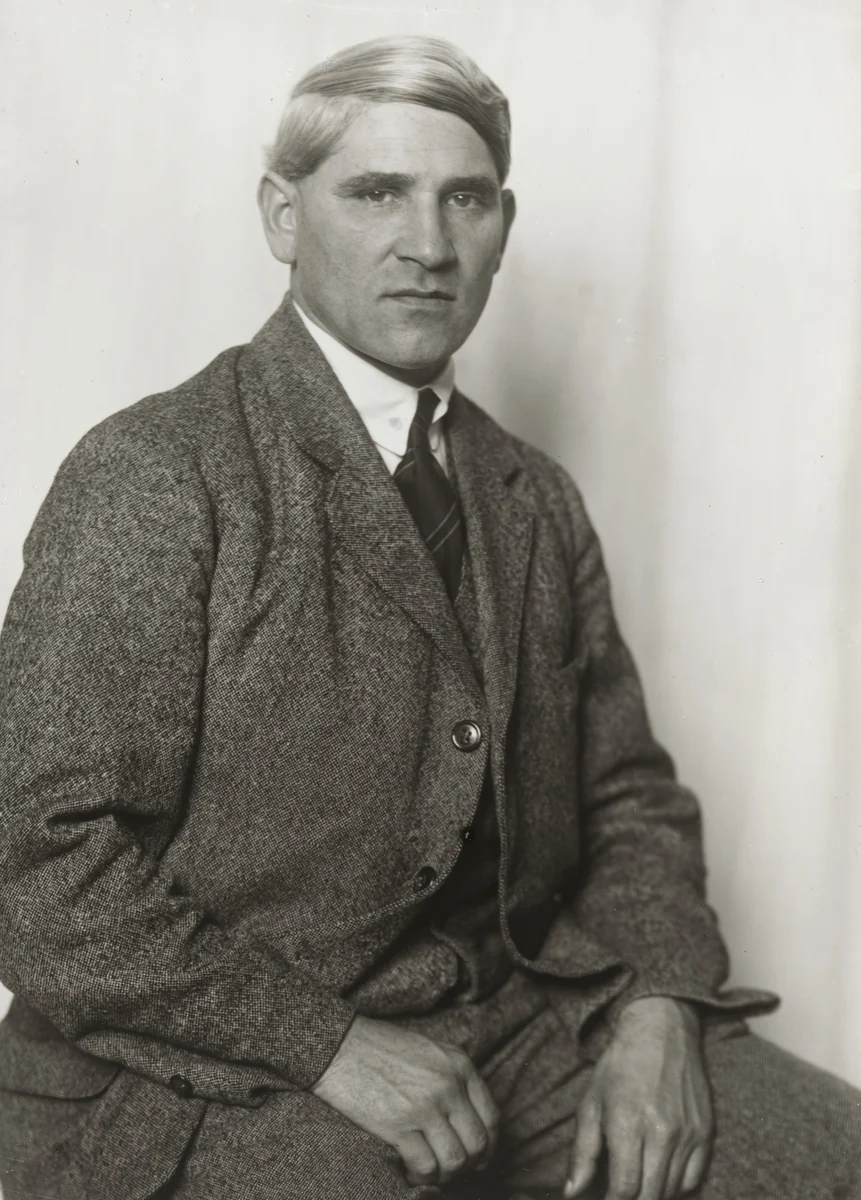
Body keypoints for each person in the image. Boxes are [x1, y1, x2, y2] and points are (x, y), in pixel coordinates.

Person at [0, 33, 858, 1200]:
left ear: (504, 224)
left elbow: (626, 800)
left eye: (465, 198)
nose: (428, 244)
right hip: (210, 1067)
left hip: (518, 1021)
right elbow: (37, 865)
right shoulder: (160, 473)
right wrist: (329, 1047)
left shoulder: (532, 495)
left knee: (827, 1157)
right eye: (375, 193)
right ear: (282, 217)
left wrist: (657, 1004)